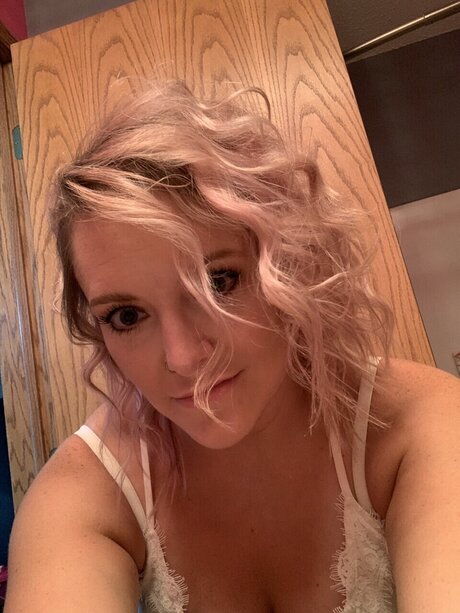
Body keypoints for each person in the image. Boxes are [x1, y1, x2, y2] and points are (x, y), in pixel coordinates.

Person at [5, 80, 460, 613]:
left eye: (218, 282)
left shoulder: (415, 425)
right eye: (127, 316)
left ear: (288, 259)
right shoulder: (86, 493)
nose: (183, 358)